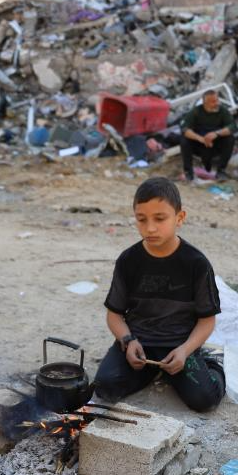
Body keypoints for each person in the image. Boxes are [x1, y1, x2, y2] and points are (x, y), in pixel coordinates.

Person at [93, 177, 225, 413]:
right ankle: (154, 369)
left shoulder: (196, 263)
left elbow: (207, 321)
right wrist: (128, 341)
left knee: (205, 400)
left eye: (160, 219)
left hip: (179, 344)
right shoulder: (128, 260)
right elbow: (114, 315)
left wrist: (185, 351)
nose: (150, 228)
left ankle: (211, 364)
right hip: (139, 341)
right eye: (141, 219)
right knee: (105, 388)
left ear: (179, 218)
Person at [180, 89, 236, 181]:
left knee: (230, 138)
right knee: (184, 140)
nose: (216, 103)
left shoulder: (223, 111)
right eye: (213, 102)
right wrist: (201, 139)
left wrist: (216, 133)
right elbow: (184, 129)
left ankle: (221, 171)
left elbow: (232, 126)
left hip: (216, 143)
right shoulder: (196, 112)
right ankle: (188, 172)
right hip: (199, 144)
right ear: (205, 103)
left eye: (217, 100)